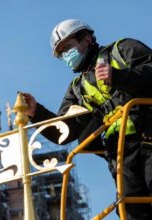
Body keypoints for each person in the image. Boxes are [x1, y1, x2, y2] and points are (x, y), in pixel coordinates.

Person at [23, 19, 152, 219]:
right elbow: (64, 131)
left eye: (67, 47)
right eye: (61, 53)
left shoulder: (122, 50)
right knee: (130, 209)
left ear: (87, 39)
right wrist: (36, 112)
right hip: (121, 155)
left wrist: (118, 76)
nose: (66, 55)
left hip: (148, 138)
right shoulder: (78, 89)